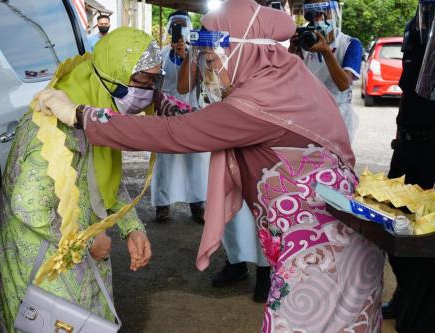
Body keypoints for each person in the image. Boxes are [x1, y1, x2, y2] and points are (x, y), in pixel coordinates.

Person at [35, 1, 385, 331]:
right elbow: (210, 122)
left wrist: (81, 115)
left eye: (214, 60)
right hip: (330, 241)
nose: (209, 71)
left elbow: (182, 133)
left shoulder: (260, 101)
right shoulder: (283, 77)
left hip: (322, 259)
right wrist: (154, 97)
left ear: (242, 50)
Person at [0, 27, 154, 332]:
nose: (146, 92)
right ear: (113, 73)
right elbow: (29, 206)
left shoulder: (96, 111)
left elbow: (103, 175)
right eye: (141, 82)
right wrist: (86, 242)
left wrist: (131, 227)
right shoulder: (56, 120)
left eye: (151, 83)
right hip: (46, 252)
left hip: (77, 242)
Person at [161, 10, 271, 302]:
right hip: (221, 134)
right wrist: (189, 55)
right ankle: (236, 263)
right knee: (225, 200)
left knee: (256, 201)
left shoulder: (250, 52)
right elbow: (185, 87)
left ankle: (265, 270)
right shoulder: (200, 53)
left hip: (251, 135)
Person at [383, 1, 435, 331]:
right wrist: (399, 136)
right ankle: (405, 295)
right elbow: (407, 88)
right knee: (394, 227)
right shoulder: (415, 27)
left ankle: (418, 311)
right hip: (406, 146)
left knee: (426, 235)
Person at [151, 10, 209, 224]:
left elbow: (200, 83)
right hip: (167, 113)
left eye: (183, 25)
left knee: (196, 160)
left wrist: (186, 57)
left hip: (192, 112)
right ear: (168, 28)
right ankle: (162, 205)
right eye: (175, 25)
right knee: (165, 161)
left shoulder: (197, 54)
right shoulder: (160, 54)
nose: (179, 30)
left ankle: (198, 204)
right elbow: (154, 84)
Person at [289, 0, 362, 141]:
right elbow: (289, 79)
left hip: (337, 119)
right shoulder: (306, 41)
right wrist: (292, 49)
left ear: (335, 13)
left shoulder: (349, 44)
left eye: (324, 12)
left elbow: (344, 84)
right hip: (307, 115)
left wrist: (326, 52)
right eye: (314, 14)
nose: (319, 18)